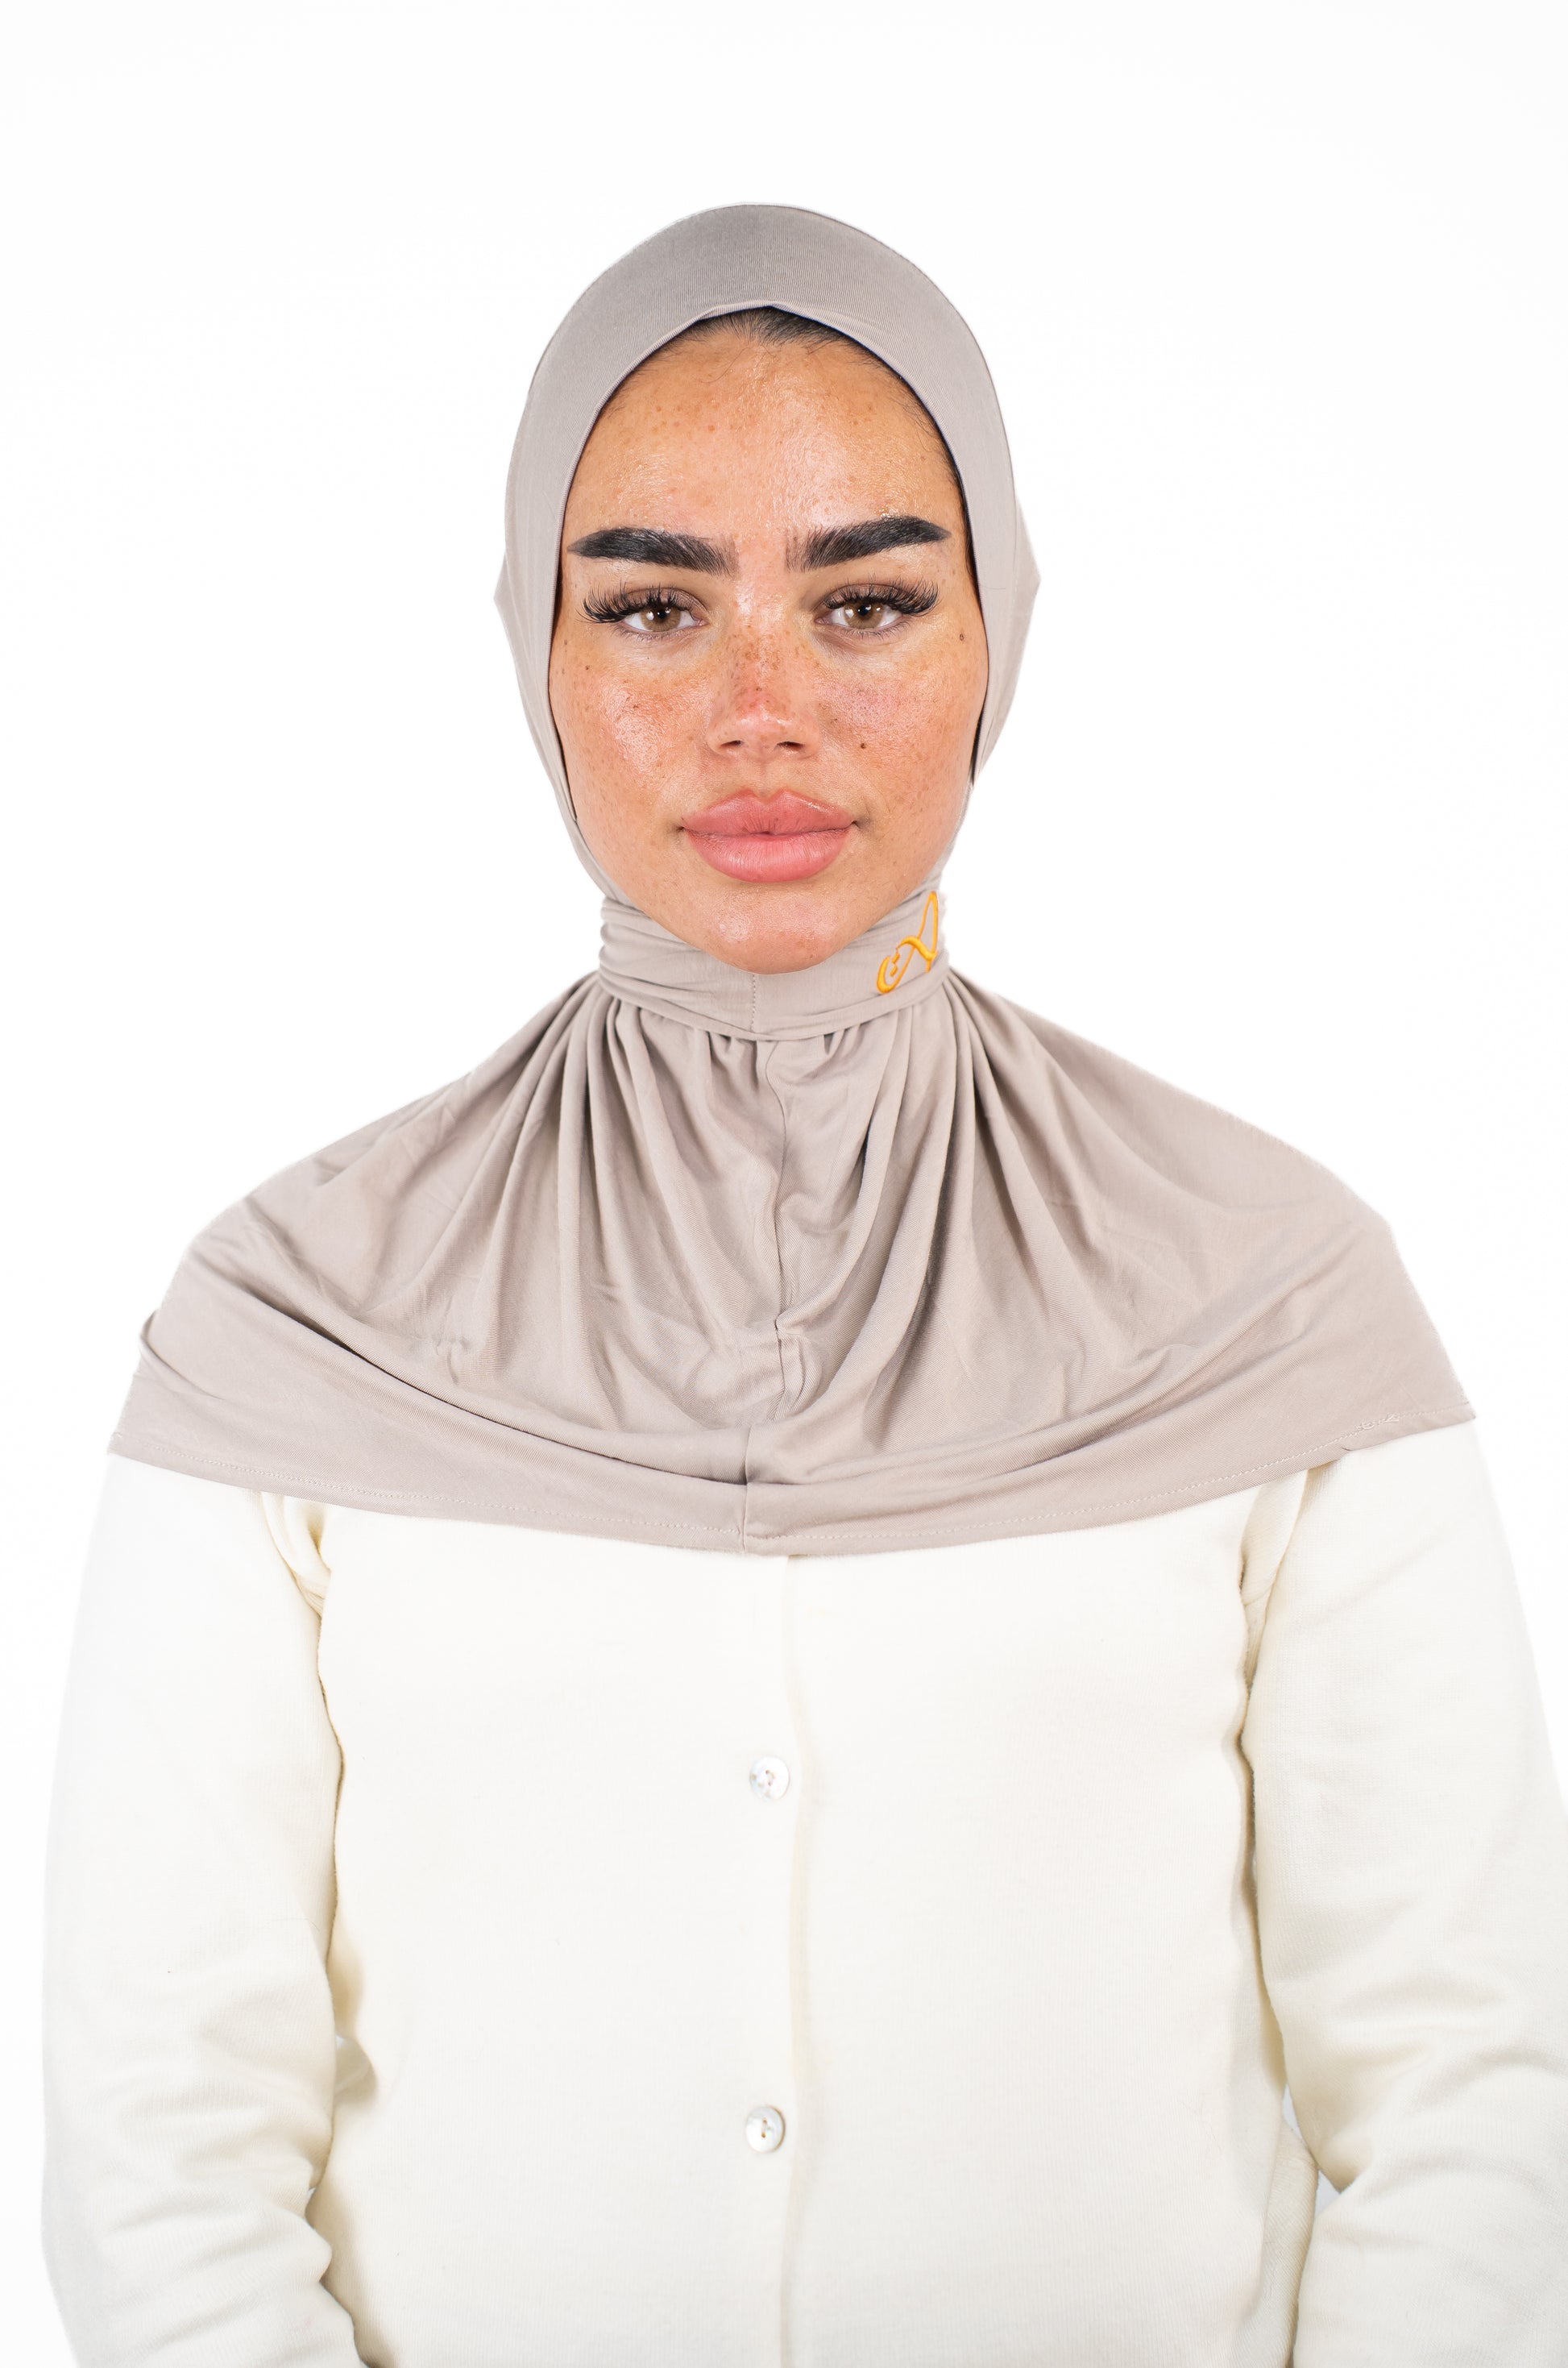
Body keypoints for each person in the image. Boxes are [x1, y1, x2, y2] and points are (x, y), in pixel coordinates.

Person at [43, 205, 1568, 2368]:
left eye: (864, 600)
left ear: (995, 635)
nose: (760, 713)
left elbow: (1463, 2083)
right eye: (652, 605)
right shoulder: (290, 1318)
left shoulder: (1272, 1294)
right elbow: (162, 2131)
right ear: (536, 653)